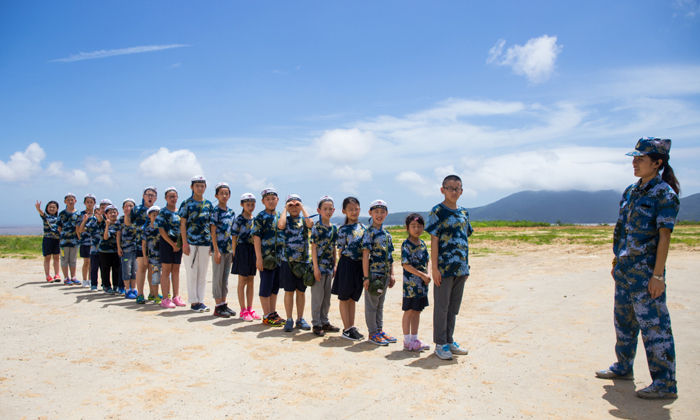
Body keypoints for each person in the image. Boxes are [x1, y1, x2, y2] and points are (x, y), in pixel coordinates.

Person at [595, 137, 681, 400]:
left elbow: (664, 237)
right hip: (624, 270)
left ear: (657, 163)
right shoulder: (631, 191)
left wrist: (657, 276)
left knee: (654, 327)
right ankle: (623, 367)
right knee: (624, 321)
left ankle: (665, 382)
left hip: (646, 274)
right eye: (634, 158)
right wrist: (616, 261)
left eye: (640, 159)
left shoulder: (664, 194)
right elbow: (621, 230)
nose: (635, 163)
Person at [425, 174, 473, 360]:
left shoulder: (464, 213)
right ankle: (440, 343)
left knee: (453, 307)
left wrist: (466, 265)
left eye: (457, 188)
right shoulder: (437, 211)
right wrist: (434, 269)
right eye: (450, 188)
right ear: (442, 189)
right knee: (442, 307)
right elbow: (434, 241)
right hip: (443, 268)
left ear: (461, 191)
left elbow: (464, 239)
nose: (454, 192)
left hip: (460, 268)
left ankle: (449, 340)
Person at [331, 197, 366, 341]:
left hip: (359, 265)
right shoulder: (343, 229)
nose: (354, 212)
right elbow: (340, 250)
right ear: (344, 211)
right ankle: (346, 329)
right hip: (346, 264)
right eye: (350, 209)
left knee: (353, 298)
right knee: (344, 298)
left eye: (356, 209)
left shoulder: (363, 228)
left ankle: (352, 327)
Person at [277, 194, 314, 332]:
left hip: (303, 262)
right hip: (287, 262)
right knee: (288, 291)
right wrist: (285, 209)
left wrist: (302, 207)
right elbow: (280, 226)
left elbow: (311, 224)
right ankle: (289, 319)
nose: (294, 207)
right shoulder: (285, 220)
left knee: (301, 292)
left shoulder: (304, 220)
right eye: (290, 204)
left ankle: (300, 318)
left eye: (296, 204)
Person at [361, 199, 396, 346]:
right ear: (370, 213)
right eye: (376, 212)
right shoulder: (369, 233)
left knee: (380, 305)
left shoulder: (387, 234)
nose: (379, 214)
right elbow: (365, 256)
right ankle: (372, 333)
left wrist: (392, 274)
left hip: (385, 275)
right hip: (374, 274)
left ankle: (379, 330)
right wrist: (366, 277)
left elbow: (390, 256)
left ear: (386, 214)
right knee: (371, 305)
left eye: (382, 212)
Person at [179, 175, 214, 312]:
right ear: (192, 187)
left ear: (205, 187)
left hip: (205, 243)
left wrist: (211, 244)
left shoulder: (209, 204)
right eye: (197, 185)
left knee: (203, 273)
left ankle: (201, 300)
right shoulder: (186, 203)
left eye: (202, 185)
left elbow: (211, 226)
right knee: (192, 273)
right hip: (191, 243)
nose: (200, 188)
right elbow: (183, 224)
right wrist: (184, 244)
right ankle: (193, 302)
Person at [252, 188, 284, 326]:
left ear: (278, 200)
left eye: (273, 198)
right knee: (266, 286)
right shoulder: (260, 217)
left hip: (279, 258)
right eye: (268, 199)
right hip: (266, 258)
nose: (271, 201)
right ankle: (266, 315)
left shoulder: (280, 216)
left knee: (275, 286)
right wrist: (259, 258)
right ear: (263, 201)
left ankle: (272, 312)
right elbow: (256, 237)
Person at [309, 196, 340, 336]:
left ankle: (324, 321)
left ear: (334, 210)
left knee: (327, 297)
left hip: (329, 267)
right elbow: (313, 249)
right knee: (317, 297)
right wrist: (315, 268)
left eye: (330, 209)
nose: (327, 211)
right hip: (319, 268)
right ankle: (316, 324)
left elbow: (334, 248)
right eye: (324, 209)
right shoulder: (317, 227)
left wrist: (335, 265)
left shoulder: (334, 228)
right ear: (319, 210)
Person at [401, 213, 431, 352]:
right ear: (407, 228)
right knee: (409, 312)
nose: (416, 229)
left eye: (419, 226)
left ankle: (414, 339)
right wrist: (422, 275)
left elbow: (427, 260)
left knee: (417, 312)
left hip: (422, 286)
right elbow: (406, 264)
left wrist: (428, 274)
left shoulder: (423, 244)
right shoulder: (406, 244)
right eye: (413, 226)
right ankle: (407, 341)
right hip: (411, 286)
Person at [125, 187, 158, 304]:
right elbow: (128, 223)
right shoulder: (137, 209)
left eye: (152, 195)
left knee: (152, 269)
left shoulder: (157, 210)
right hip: (140, 243)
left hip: (155, 245)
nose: (150, 197)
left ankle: (153, 293)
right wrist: (127, 215)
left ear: (156, 198)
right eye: (148, 194)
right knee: (142, 267)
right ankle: (140, 294)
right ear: (143, 196)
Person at [209, 182, 237, 318]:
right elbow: (212, 231)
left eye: (227, 193)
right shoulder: (215, 211)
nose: (224, 195)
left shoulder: (231, 212)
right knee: (217, 278)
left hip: (228, 250)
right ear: (216, 195)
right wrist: (216, 250)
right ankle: (217, 306)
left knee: (225, 278)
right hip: (218, 249)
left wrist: (232, 251)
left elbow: (233, 233)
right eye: (221, 193)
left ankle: (224, 304)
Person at [231, 192, 259, 322]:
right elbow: (234, 237)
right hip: (242, 249)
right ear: (242, 205)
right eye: (248, 204)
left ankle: (250, 308)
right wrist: (235, 254)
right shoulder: (239, 219)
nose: (250, 207)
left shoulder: (256, 219)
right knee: (242, 281)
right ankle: (242, 310)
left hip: (253, 250)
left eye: (252, 204)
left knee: (251, 281)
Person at [156, 187, 185, 309]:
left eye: (174, 196)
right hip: (166, 242)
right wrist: (171, 244)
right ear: (165, 198)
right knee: (166, 270)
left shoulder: (181, 212)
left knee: (176, 270)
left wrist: (179, 244)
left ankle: (176, 296)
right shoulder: (163, 212)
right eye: (170, 196)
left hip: (178, 243)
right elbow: (161, 230)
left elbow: (184, 228)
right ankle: (165, 298)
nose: (173, 199)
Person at [82, 199, 110, 291]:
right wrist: (85, 221)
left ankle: (105, 284)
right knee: (94, 268)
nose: (104, 209)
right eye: (102, 207)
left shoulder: (111, 220)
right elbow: (83, 230)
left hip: (107, 250)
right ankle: (93, 284)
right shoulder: (93, 220)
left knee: (105, 269)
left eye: (106, 207)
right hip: (95, 249)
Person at [57, 193, 82, 285]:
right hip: (64, 242)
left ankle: (73, 277)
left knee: (73, 259)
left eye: (72, 200)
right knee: (64, 259)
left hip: (75, 241)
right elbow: (59, 226)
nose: (70, 201)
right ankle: (66, 278)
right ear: (65, 201)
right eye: (68, 200)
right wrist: (62, 236)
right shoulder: (62, 214)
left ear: (75, 201)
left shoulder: (79, 214)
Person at [117, 198, 139, 299]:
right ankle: (127, 290)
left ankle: (134, 289)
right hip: (126, 248)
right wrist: (119, 247)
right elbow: (118, 234)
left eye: (130, 206)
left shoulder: (137, 219)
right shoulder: (120, 220)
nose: (128, 208)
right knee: (127, 269)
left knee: (135, 270)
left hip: (136, 247)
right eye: (126, 206)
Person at [35, 200, 61, 282]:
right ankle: (48, 275)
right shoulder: (46, 216)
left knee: (56, 257)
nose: (52, 209)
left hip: (57, 239)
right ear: (47, 208)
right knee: (47, 257)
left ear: (57, 209)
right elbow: (41, 213)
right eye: (50, 207)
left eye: (54, 207)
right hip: (48, 239)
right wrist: (38, 208)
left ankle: (57, 274)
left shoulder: (59, 218)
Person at [99, 205, 122, 294]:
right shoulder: (103, 224)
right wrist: (107, 226)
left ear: (118, 213)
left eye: (114, 212)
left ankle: (116, 285)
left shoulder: (120, 223)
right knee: (105, 269)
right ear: (106, 214)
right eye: (110, 213)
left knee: (116, 269)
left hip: (116, 250)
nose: (113, 214)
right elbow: (105, 237)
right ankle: (106, 286)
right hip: (105, 250)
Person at [142, 206, 162, 304]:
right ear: (149, 216)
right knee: (155, 277)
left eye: (157, 215)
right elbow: (144, 244)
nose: (156, 217)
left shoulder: (162, 228)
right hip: (153, 258)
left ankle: (166, 293)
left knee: (165, 276)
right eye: (153, 215)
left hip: (163, 256)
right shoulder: (146, 229)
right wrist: (145, 257)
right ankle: (155, 295)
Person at [77, 194, 96, 287]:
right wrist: (80, 238)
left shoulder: (96, 214)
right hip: (85, 241)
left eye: (91, 202)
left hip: (95, 242)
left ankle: (91, 279)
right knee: (86, 261)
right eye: (87, 202)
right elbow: (78, 228)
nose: (89, 204)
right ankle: (85, 280)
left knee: (93, 262)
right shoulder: (81, 214)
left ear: (94, 203)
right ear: (84, 203)